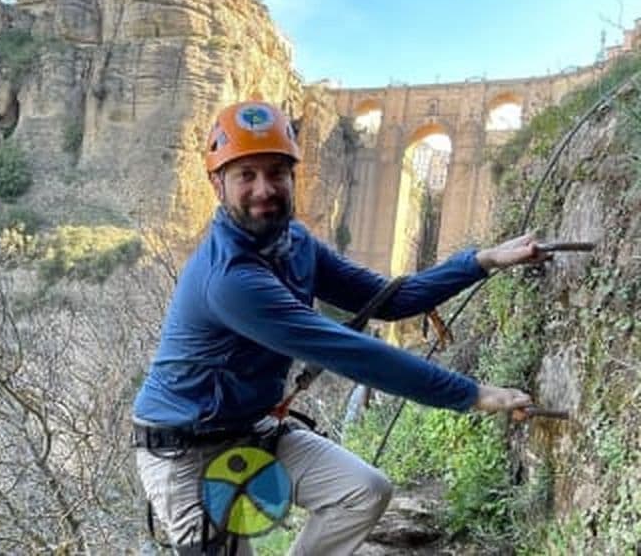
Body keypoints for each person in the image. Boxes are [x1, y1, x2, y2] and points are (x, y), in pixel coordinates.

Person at [132, 100, 541, 555]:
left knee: (362, 491)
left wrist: (481, 261)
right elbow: (351, 353)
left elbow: (391, 299)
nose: (264, 188)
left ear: (293, 177)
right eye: (245, 175)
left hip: (249, 428)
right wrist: (471, 394)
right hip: (183, 452)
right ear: (217, 184)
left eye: (276, 172)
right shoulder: (228, 279)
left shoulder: (296, 244)